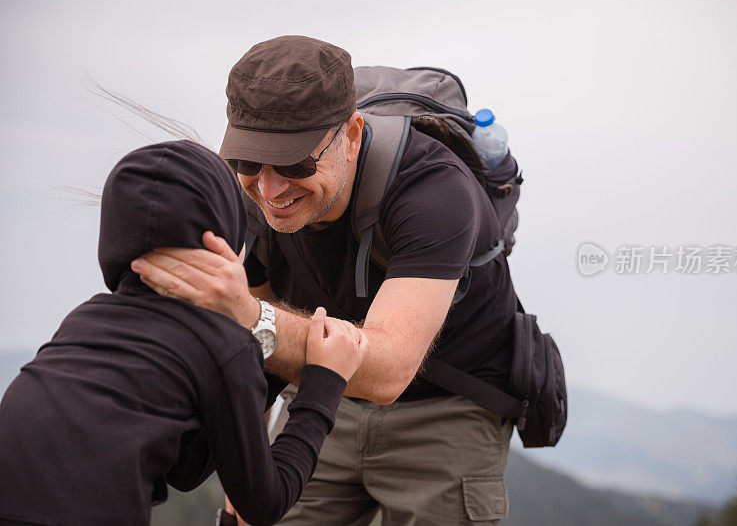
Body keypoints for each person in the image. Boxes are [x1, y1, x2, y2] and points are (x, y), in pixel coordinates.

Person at [132, 36, 519, 524]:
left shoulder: (434, 189)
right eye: (249, 163)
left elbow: (387, 368)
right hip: (320, 393)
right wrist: (244, 473)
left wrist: (251, 316)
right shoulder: (246, 199)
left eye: (296, 164)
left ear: (353, 134)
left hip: (449, 406)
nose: (270, 190)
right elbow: (255, 354)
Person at [0, 140, 367, 526]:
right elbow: (265, 504)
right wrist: (324, 385)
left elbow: (184, 469)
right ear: (225, 243)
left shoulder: (85, 319)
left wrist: (269, 368)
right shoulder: (222, 344)